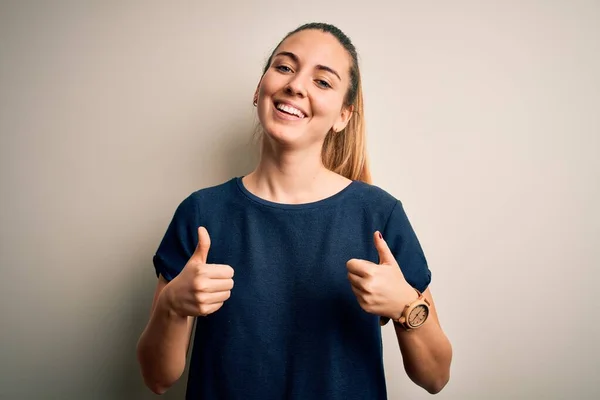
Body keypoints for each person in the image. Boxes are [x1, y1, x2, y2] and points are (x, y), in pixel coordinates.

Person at [136, 22, 452, 399]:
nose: (296, 85)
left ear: (343, 117)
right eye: (284, 67)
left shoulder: (379, 215)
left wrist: (406, 306)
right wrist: (172, 306)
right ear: (259, 89)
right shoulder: (200, 213)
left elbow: (435, 377)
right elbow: (157, 378)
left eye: (322, 81)